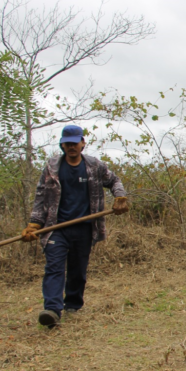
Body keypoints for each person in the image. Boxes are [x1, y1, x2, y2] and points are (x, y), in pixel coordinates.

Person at [21, 125, 129, 328]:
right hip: (55, 228)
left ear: (82, 143)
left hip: (85, 227)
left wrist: (120, 197)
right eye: (67, 143)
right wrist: (34, 223)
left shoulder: (94, 166)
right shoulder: (52, 168)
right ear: (62, 144)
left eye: (75, 142)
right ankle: (52, 309)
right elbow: (40, 196)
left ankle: (72, 304)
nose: (71, 146)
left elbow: (114, 181)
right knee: (54, 267)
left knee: (77, 270)